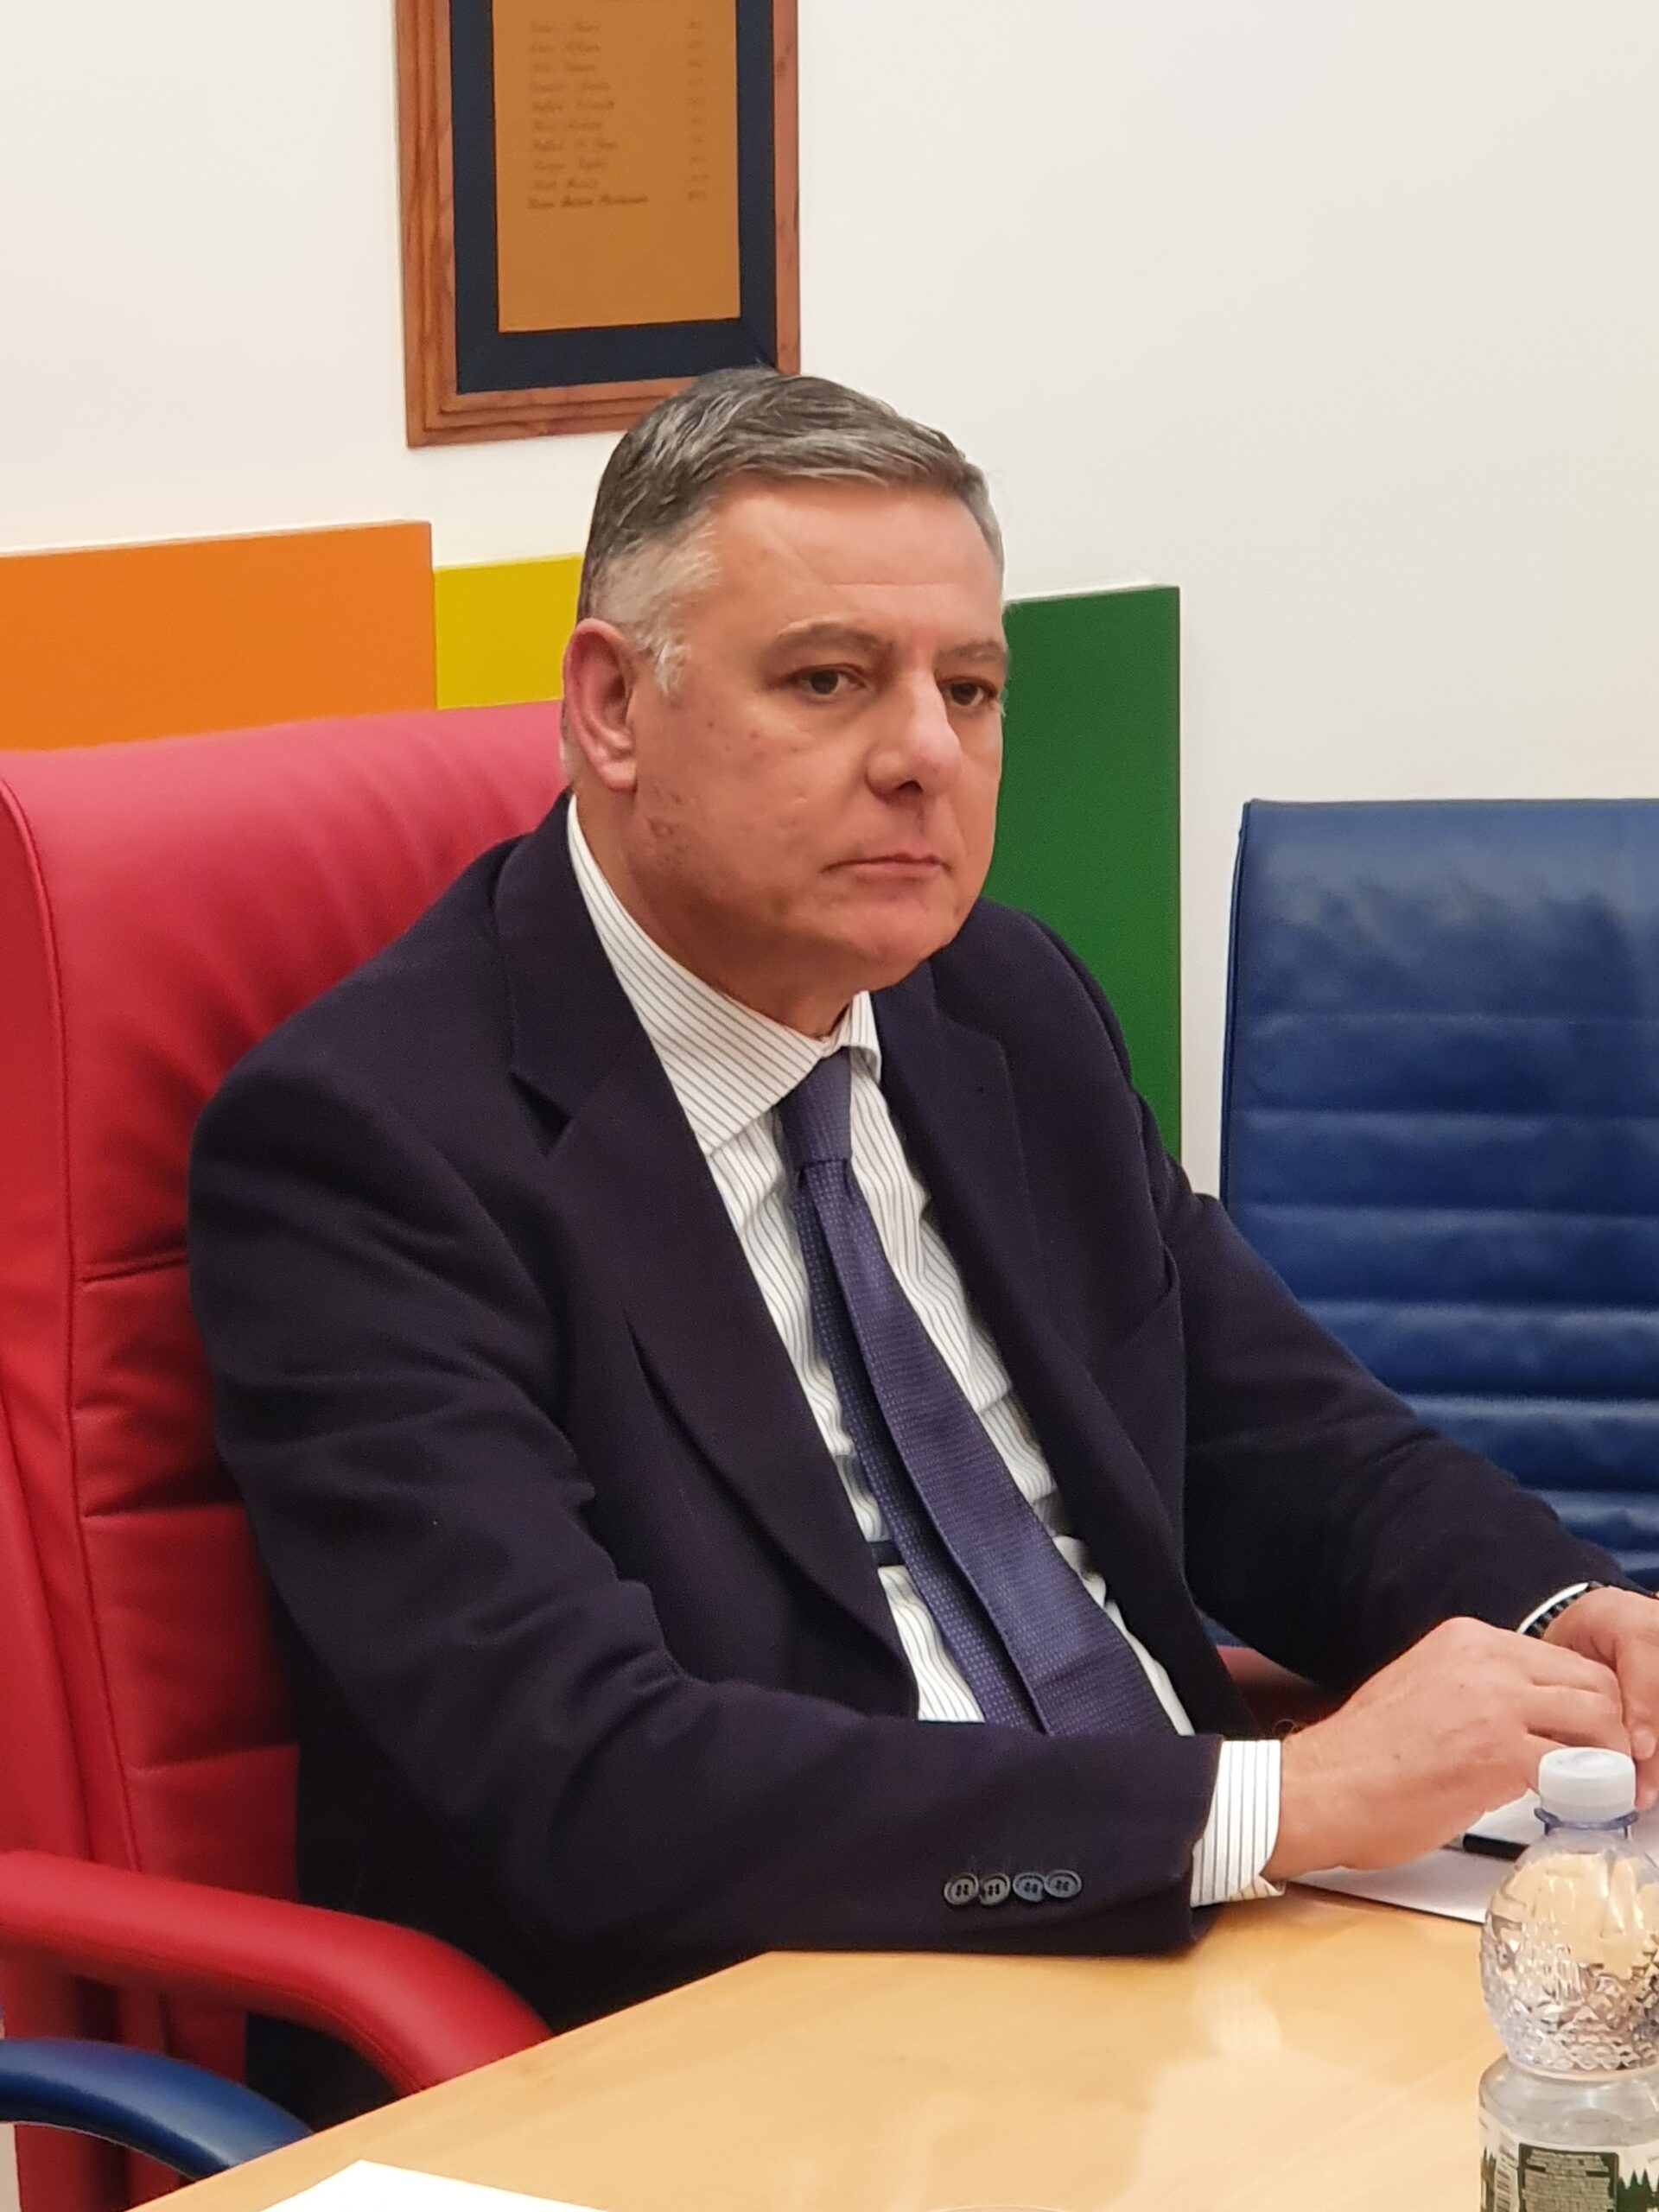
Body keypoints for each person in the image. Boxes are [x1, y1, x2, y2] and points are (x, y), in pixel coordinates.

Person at [189, 367, 1659, 2056]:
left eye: (970, 688)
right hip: (740, 2022)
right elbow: (585, 1775)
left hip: (1182, 1951)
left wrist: (1569, 1620)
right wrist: (1274, 1802)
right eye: (829, 680)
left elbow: (1285, 1441)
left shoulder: (1001, 1003)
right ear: (612, 705)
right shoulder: (371, 1144)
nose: (925, 757)